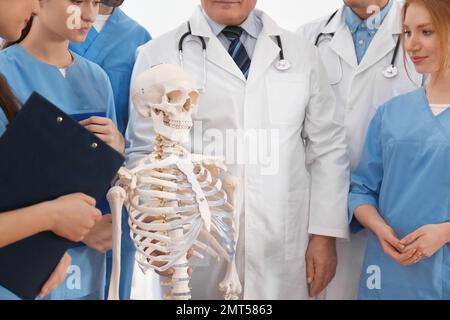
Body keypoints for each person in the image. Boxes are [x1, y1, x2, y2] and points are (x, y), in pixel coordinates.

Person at [126, 0, 350, 299]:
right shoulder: (159, 54)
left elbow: (328, 148)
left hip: (283, 241)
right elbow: (143, 151)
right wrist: (158, 232)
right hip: (195, 246)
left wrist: (325, 235)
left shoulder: (302, 54)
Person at [297, 0, 422, 299]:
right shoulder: (305, 39)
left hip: (399, 219)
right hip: (320, 216)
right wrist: (322, 228)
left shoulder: (424, 32)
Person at [0, 0, 124, 300]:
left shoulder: (97, 80)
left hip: (87, 269)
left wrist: (118, 147)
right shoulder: (7, 74)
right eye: (77, 1)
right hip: (22, 270)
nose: (90, 15)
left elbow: (111, 179)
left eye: (96, 2)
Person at [349, 0, 450, 299]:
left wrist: (444, 233)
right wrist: (379, 228)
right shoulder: (390, 114)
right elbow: (361, 192)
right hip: (388, 276)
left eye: (426, 32)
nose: (412, 44)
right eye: (406, 32)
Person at [69, 0, 150, 300]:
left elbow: (149, 136)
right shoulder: (47, 23)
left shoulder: (139, 40)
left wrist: (121, 143)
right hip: (49, 199)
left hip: (114, 204)